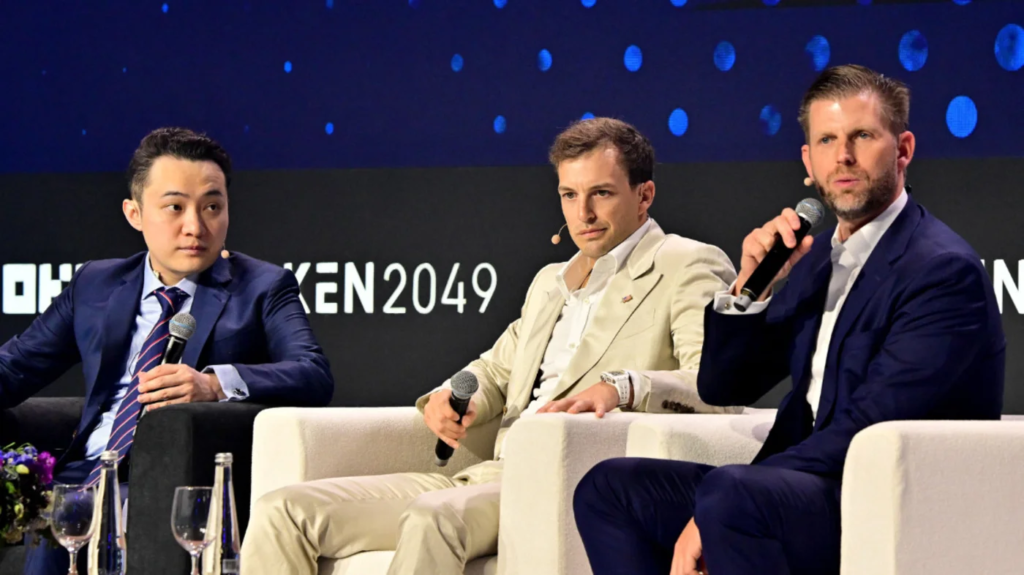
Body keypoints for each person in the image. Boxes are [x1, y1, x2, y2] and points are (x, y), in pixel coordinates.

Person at [240, 117, 740, 574]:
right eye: (568, 195)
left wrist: (625, 388)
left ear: (644, 194)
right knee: (282, 511)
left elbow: (718, 388)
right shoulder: (551, 281)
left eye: (601, 194)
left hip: (567, 481)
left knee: (430, 519)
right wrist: (458, 399)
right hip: (485, 475)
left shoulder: (685, 264)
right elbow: (498, 369)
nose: (582, 214)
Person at [573, 64, 1006, 575]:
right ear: (808, 159)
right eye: (826, 140)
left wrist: (716, 510)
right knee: (610, 490)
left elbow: (868, 426)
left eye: (862, 136)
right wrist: (749, 289)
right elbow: (722, 384)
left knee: (731, 496)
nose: (842, 156)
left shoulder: (940, 271)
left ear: (904, 149)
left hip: (879, 498)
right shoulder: (818, 258)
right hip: (792, 490)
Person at [0, 127, 335, 575]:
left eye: (212, 207)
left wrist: (214, 384)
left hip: (174, 482)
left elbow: (313, 374)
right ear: (135, 213)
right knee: (57, 521)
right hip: (81, 477)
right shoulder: (95, 284)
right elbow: (15, 367)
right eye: (175, 207)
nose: (195, 226)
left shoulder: (261, 287)